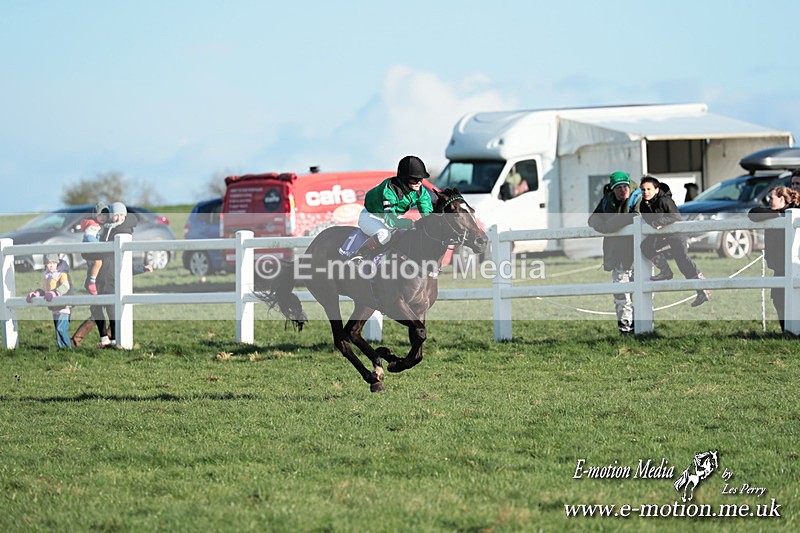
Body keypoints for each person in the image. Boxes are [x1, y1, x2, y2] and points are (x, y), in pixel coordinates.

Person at [80, 202, 152, 348]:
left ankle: (115, 340)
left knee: (112, 311)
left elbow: (123, 263)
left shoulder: (121, 231)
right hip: (99, 279)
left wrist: (141, 268)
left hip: (111, 280)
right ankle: (102, 339)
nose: (118, 218)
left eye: (121, 215)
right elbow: (90, 253)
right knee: (96, 309)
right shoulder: (103, 230)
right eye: (115, 215)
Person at [639, 175, 711, 307]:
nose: (645, 192)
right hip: (662, 234)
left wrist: (660, 222)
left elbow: (675, 217)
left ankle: (703, 290)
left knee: (682, 260)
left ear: (656, 189)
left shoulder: (665, 201)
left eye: (649, 189)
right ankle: (666, 271)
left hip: (677, 233)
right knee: (646, 246)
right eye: (643, 190)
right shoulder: (643, 205)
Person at [350, 155, 435, 260]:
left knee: (407, 235)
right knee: (384, 235)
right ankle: (358, 256)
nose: (418, 182)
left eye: (420, 179)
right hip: (371, 217)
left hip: (391, 218)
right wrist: (413, 223)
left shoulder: (421, 192)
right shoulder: (389, 190)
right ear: (404, 179)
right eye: (414, 179)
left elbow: (428, 215)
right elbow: (391, 221)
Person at [588, 171, 642, 335]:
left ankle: (644, 329)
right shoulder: (607, 200)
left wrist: (611, 224)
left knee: (643, 294)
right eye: (618, 188)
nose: (622, 190)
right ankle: (625, 331)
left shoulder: (638, 196)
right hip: (618, 255)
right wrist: (605, 227)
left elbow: (637, 216)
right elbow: (593, 219)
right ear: (612, 189)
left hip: (639, 254)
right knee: (621, 295)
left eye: (624, 186)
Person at [748, 185, 800, 332]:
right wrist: (776, 214)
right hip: (779, 266)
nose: (769, 200)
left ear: (782, 198)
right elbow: (752, 213)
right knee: (778, 299)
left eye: (772, 198)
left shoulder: (795, 212)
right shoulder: (773, 213)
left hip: (794, 264)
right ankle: (786, 331)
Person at [26, 254, 73, 349]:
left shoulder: (62, 273)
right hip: (54, 306)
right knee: (57, 329)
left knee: (61, 328)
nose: (50, 265)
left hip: (64, 306)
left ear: (57, 263)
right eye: (48, 263)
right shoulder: (46, 275)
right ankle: (62, 349)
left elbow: (65, 286)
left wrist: (55, 293)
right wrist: (36, 293)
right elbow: (43, 289)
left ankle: (68, 348)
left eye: (53, 263)